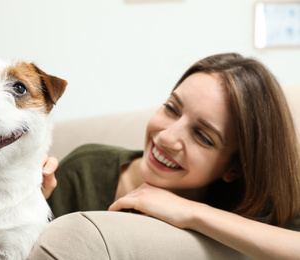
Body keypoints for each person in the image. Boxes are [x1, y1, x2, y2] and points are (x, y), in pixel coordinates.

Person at [41, 53, 300, 259]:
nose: (165, 137)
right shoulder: (86, 169)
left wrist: (191, 213)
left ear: (235, 168)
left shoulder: (260, 206)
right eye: (171, 108)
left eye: (203, 136)